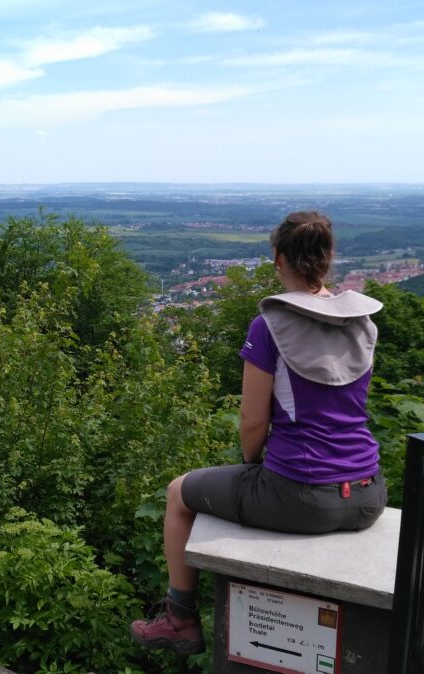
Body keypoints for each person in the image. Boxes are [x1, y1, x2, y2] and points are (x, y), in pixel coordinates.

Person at [130, 210, 387, 656]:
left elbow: (252, 422)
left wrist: (251, 465)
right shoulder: (362, 323)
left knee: (177, 493)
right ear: (328, 258)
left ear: (277, 259)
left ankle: (179, 619)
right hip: (368, 493)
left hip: (301, 493)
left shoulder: (269, 326)